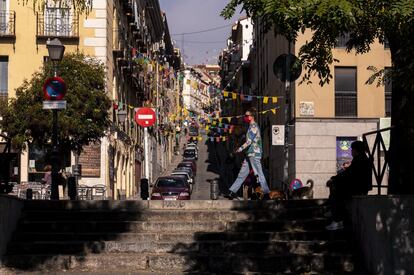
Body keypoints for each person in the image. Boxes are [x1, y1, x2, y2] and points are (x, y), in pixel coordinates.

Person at [326, 140, 372, 230]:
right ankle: (333, 211)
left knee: (336, 189)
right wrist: (335, 178)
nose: (351, 151)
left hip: (358, 188)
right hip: (358, 186)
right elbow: (348, 172)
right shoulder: (360, 158)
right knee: (335, 185)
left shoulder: (361, 160)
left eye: (352, 149)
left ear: (356, 150)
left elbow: (349, 174)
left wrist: (334, 179)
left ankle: (337, 218)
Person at [226, 108, 271, 200]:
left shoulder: (254, 126)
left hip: (254, 153)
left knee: (259, 173)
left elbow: (249, 141)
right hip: (249, 154)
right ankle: (232, 192)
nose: (245, 117)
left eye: (247, 116)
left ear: (252, 116)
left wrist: (240, 149)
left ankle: (266, 193)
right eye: (245, 116)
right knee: (242, 174)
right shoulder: (250, 126)